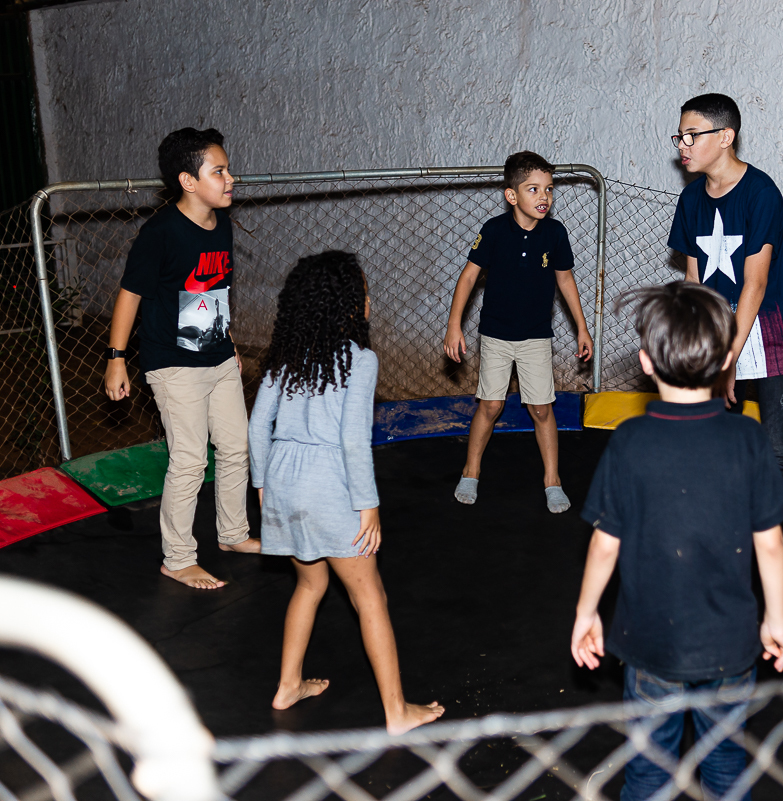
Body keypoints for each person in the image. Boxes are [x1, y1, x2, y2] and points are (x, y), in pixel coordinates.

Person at [571, 281, 783, 801]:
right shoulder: (747, 438)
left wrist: (586, 612)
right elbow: (771, 543)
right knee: (726, 767)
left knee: (649, 772)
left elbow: (605, 544)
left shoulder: (629, 441)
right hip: (731, 645)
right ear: (725, 361)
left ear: (646, 362)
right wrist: (776, 618)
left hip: (651, 646)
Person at [248, 250, 445, 732]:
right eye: (362, 292)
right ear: (347, 304)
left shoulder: (285, 356)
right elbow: (354, 439)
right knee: (369, 596)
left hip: (284, 479)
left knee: (309, 585)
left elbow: (257, 426)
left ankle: (288, 685)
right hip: (329, 484)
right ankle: (397, 712)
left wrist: (262, 485)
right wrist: (368, 505)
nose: (369, 300)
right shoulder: (360, 360)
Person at [667, 93, 783, 605]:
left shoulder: (761, 192)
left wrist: (729, 359)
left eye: (692, 135)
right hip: (717, 333)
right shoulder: (691, 200)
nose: (682, 145)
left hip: (767, 330)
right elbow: (694, 280)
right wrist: (698, 346)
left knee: (781, 449)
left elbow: (756, 283)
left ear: (726, 137)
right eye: (679, 136)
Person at [105, 127, 260, 590]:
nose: (230, 179)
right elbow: (130, 295)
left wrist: (228, 342)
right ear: (188, 181)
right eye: (219, 171)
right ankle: (177, 558)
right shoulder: (160, 234)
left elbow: (214, 290)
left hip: (217, 355)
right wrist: (116, 358)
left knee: (236, 446)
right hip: (172, 363)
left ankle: (233, 534)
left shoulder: (222, 222)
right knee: (191, 460)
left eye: (228, 170)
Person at [443, 151, 594, 513]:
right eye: (533, 189)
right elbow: (468, 277)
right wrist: (453, 325)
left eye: (549, 189)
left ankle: (552, 479)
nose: (544, 197)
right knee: (491, 405)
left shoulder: (555, 234)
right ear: (512, 195)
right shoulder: (494, 230)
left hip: (536, 337)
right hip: (495, 334)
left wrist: (582, 328)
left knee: (541, 409)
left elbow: (566, 281)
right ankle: (471, 470)